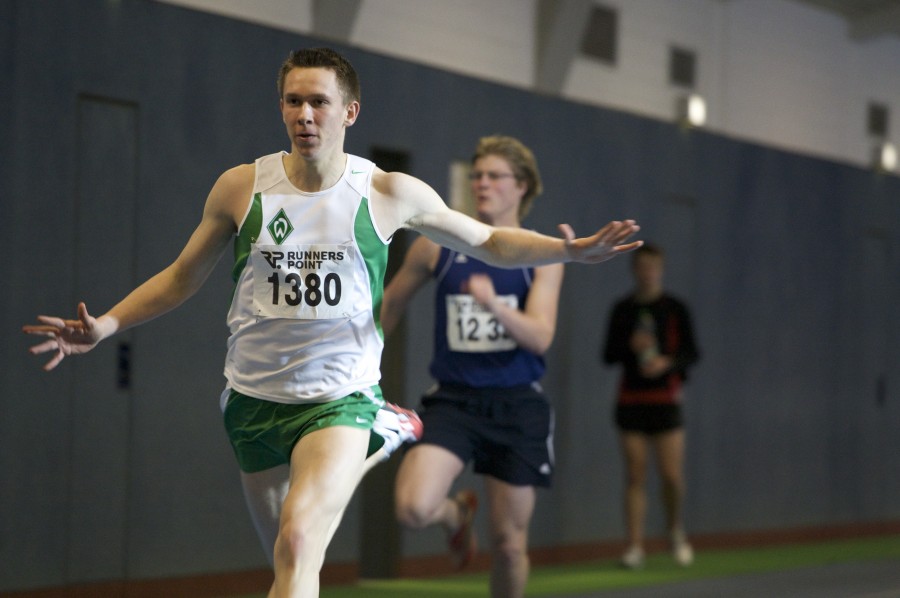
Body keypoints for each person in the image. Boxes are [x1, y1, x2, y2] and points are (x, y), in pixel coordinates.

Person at [24, 47, 641, 598]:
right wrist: (107, 325)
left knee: (298, 542)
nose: (304, 115)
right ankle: (387, 432)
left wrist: (568, 251)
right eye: (292, 101)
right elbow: (183, 276)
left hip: (339, 397)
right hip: (253, 399)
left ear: (349, 111)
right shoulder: (241, 188)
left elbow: (487, 240)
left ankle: (374, 425)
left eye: (319, 101)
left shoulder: (386, 192)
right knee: (286, 561)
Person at [381, 135, 565, 598]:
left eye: (494, 176)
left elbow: (540, 336)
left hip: (517, 406)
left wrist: (494, 306)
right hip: (454, 401)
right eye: (476, 175)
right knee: (412, 508)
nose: (482, 183)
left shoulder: (543, 253)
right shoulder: (437, 246)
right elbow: (389, 306)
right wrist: (357, 366)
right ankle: (456, 514)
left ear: (521, 186)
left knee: (508, 546)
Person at [602, 243, 699, 569]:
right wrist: (630, 347)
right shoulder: (622, 309)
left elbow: (692, 353)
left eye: (653, 267)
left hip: (665, 400)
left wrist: (666, 364)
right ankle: (634, 546)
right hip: (631, 401)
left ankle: (675, 531)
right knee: (635, 474)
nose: (648, 274)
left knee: (671, 475)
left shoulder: (675, 308)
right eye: (642, 267)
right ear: (634, 270)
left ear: (661, 270)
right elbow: (608, 355)